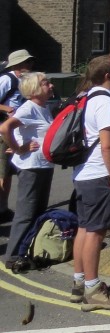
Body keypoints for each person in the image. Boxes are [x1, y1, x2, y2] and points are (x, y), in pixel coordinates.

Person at [72, 54, 110, 311]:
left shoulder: (87, 98)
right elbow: (107, 145)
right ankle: (94, 290)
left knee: (85, 228)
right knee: (96, 232)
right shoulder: (105, 102)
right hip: (99, 174)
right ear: (108, 75)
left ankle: (80, 283)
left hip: (83, 173)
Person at [1, 72, 55, 271]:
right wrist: (18, 148)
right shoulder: (29, 108)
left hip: (43, 165)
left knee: (38, 212)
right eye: (45, 82)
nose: (50, 85)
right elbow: (6, 127)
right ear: (33, 90)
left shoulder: (44, 107)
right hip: (31, 167)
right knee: (26, 213)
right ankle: (13, 256)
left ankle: (30, 251)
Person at [0, 49, 34, 223]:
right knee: (3, 172)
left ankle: (3, 208)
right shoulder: (7, 80)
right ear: (18, 64)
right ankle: (2, 209)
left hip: (17, 132)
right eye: (27, 62)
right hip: (3, 132)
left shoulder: (24, 81)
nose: (29, 65)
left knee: (11, 172)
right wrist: (9, 110)